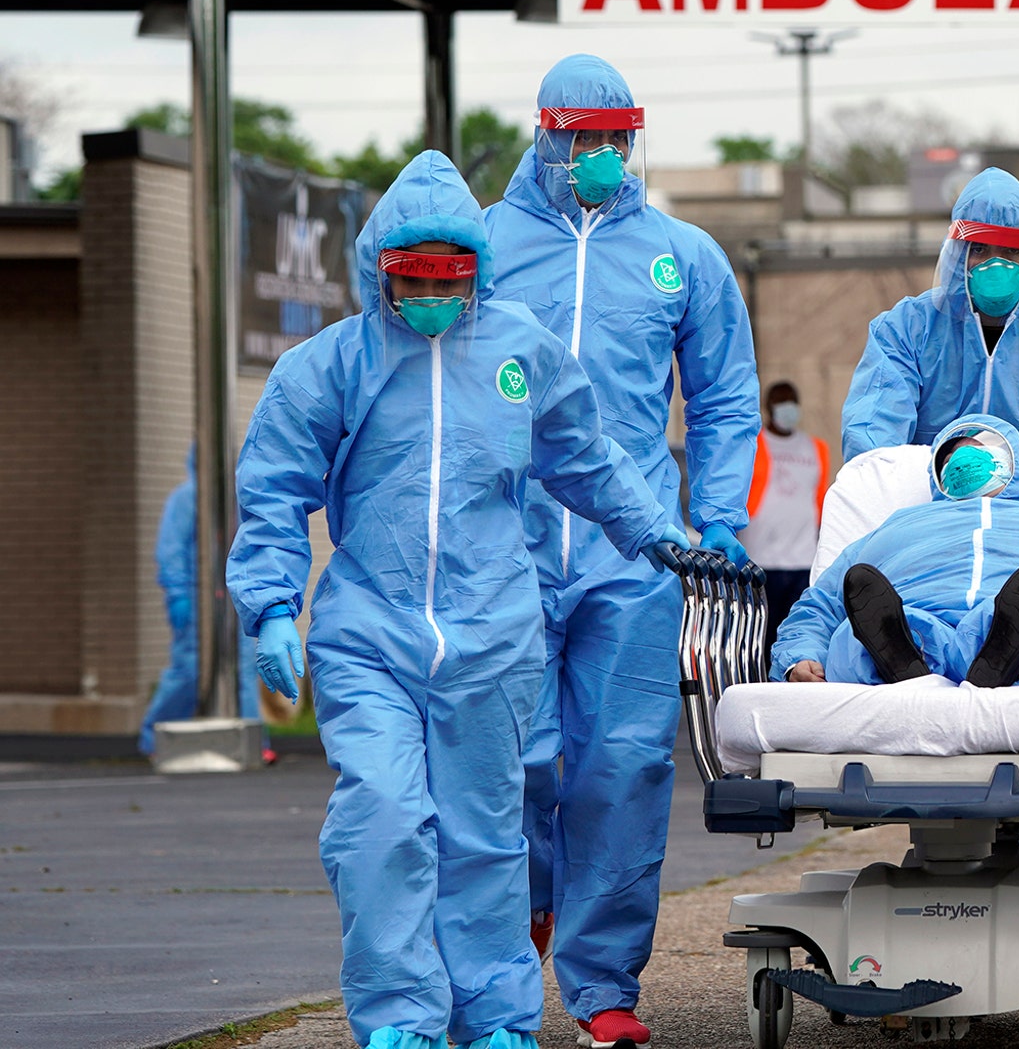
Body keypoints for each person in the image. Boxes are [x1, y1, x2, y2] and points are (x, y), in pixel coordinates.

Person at [228, 149, 683, 1049]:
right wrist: (272, 605)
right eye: (414, 275)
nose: (434, 291)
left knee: (484, 840)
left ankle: (496, 1019)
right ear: (380, 272)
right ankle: (400, 1016)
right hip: (371, 636)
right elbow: (274, 489)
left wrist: (650, 530)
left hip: (494, 633)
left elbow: (585, 455)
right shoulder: (329, 367)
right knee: (384, 822)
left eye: (452, 273)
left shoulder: (519, 348)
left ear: (477, 269)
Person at [483, 54, 760, 1049]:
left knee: (626, 764)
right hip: (502, 547)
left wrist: (718, 514)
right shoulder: (481, 244)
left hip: (635, 554)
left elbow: (726, 399)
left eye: (617, 140)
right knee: (508, 759)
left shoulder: (684, 256)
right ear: (545, 135)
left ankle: (603, 986)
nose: (601, 156)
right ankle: (520, 916)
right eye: (582, 138)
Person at [775, 415, 1019, 687]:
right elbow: (822, 603)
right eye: (951, 455)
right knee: (857, 634)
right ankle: (904, 645)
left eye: (978, 448)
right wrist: (800, 656)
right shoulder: (895, 526)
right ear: (938, 475)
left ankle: (1016, 649)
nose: (963, 458)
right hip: (915, 604)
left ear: (1014, 460)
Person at [840, 168, 1019, 458]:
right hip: (934, 503)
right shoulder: (905, 331)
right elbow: (872, 450)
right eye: (979, 249)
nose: (995, 266)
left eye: (1011, 251)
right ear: (957, 255)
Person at [139, 445, 272, 763]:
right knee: (189, 668)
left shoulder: (236, 498)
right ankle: (152, 736)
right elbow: (170, 551)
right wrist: (178, 594)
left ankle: (253, 742)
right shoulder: (188, 498)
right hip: (197, 599)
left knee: (242, 669)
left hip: (234, 598)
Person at [741, 381, 830, 632]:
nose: (787, 408)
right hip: (760, 557)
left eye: (791, 401)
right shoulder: (752, 444)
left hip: (803, 558)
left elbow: (820, 497)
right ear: (768, 406)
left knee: (795, 630)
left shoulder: (817, 447)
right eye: (781, 401)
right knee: (761, 633)